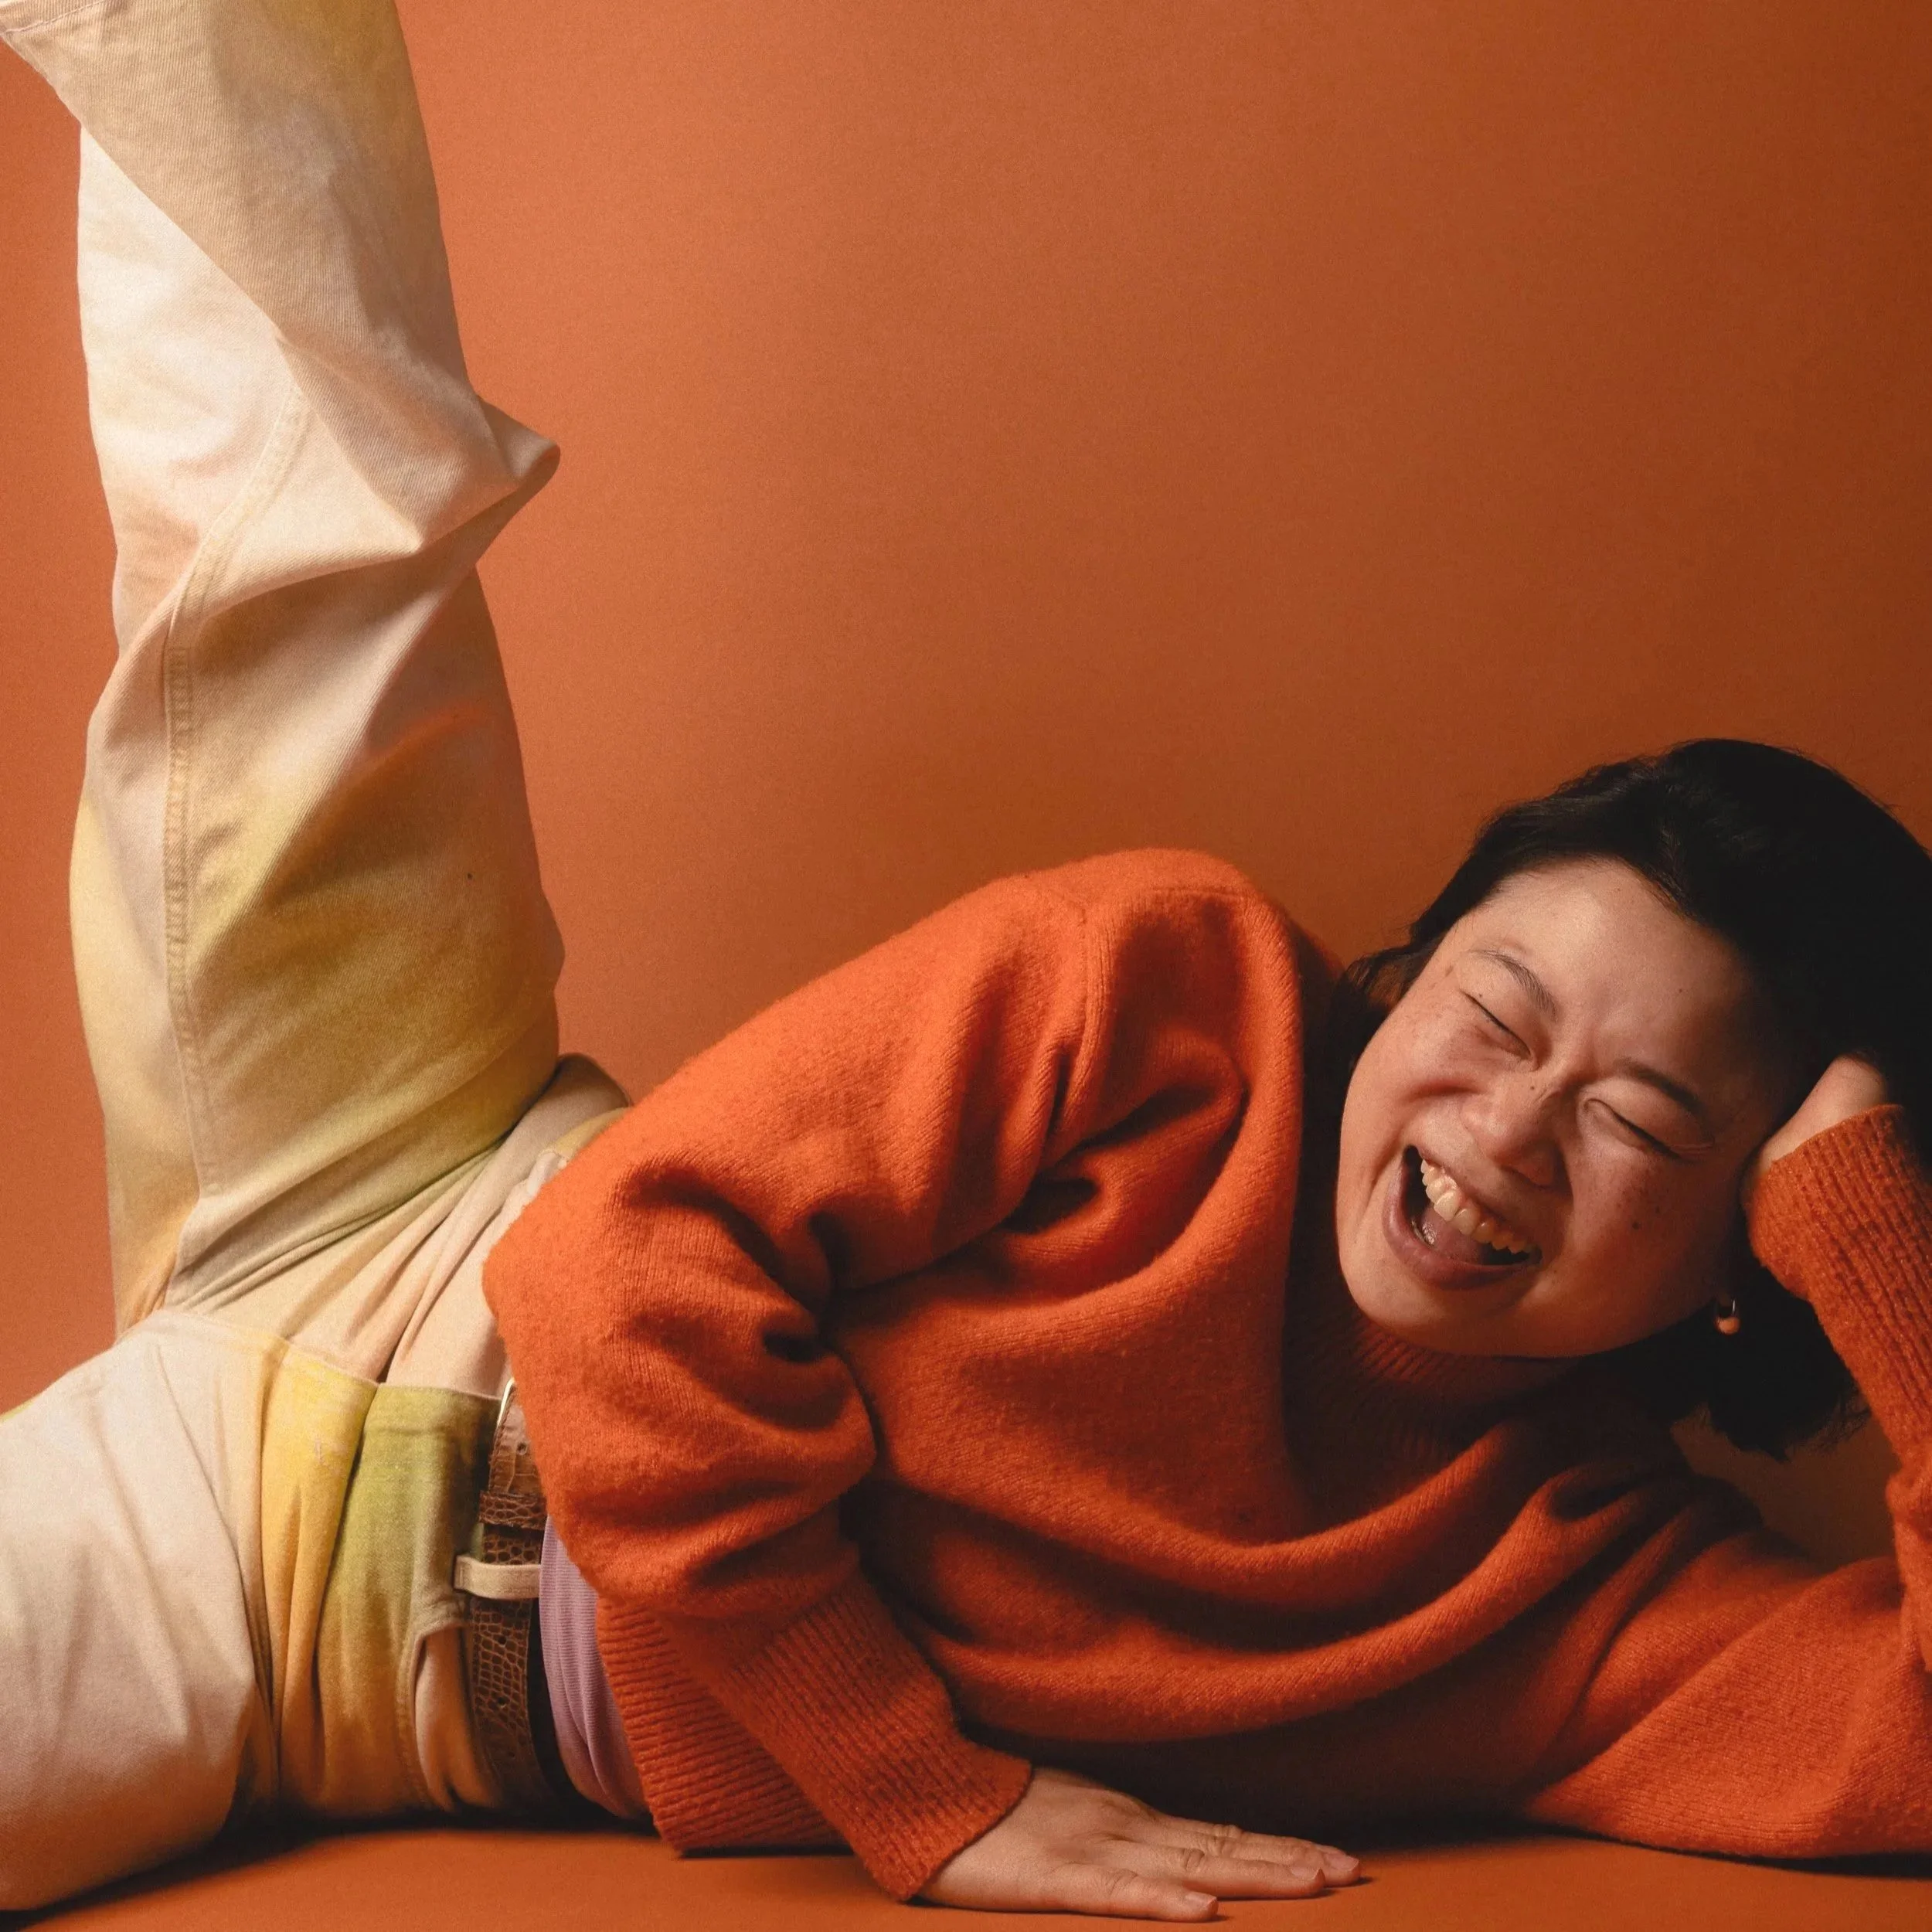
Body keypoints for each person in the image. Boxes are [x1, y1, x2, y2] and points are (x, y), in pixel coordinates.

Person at [5, 5, 1930, 1926]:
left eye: (1639, 1123)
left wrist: (1871, 1221)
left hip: (276, 1622)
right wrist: (906, 1782)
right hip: (422, 1208)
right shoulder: (1178, 994)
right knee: (337, 533)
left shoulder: (1591, 1595)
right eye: (1490, 1010)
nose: (1507, 1124)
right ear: (1409, 969)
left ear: (1742, 1256)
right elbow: (612, 1270)